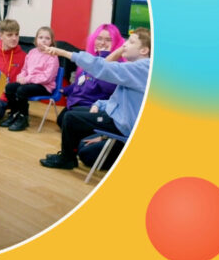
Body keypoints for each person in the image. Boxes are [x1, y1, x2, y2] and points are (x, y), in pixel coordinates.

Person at [38, 28, 151, 170]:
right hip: (116, 116)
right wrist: (100, 104)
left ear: (144, 50)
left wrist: (63, 53)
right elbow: (119, 99)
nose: (125, 45)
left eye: (131, 42)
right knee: (70, 117)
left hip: (121, 123)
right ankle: (70, 154)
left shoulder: (143, 68)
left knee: (71, 117)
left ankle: (67, 159)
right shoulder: (136, 67)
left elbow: (103, 68)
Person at [55, 24, 124, 128]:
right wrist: (65, 90)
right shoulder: (90, 59)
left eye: (108, 40)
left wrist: (105, 56)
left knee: (68, 121)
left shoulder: (117, 65)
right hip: (76, 103)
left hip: (93, 106)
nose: (102, 43)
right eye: (99, 38)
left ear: (116, 43)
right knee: (61, 120)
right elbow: (81, 82)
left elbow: (108, 89)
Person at [0, 26, 60, 132]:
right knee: (10, 87)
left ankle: (23, 117)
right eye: (41, 37)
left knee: (22, 90)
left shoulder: (53, 57)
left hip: (44, 86)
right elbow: (25, 69)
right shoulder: (32, 52)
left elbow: (46, 78)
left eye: (47, 38)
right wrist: (21, 76)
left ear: (51, 41)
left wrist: (27, 79)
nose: (44, 40)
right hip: (30, 82)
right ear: (36, 40)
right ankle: (14, 113)